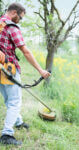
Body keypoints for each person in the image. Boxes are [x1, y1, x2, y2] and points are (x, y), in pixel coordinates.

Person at [0, 3, 50, 145]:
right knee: (15, 102)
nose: (20, 21)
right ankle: (7, 135)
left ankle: (18, 122)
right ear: (14, 12)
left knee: (9, 99)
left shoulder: (0, 23)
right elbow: (25, 51)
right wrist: (41, 70)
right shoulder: (11, 27)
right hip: (9, 69)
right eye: (20, 17)